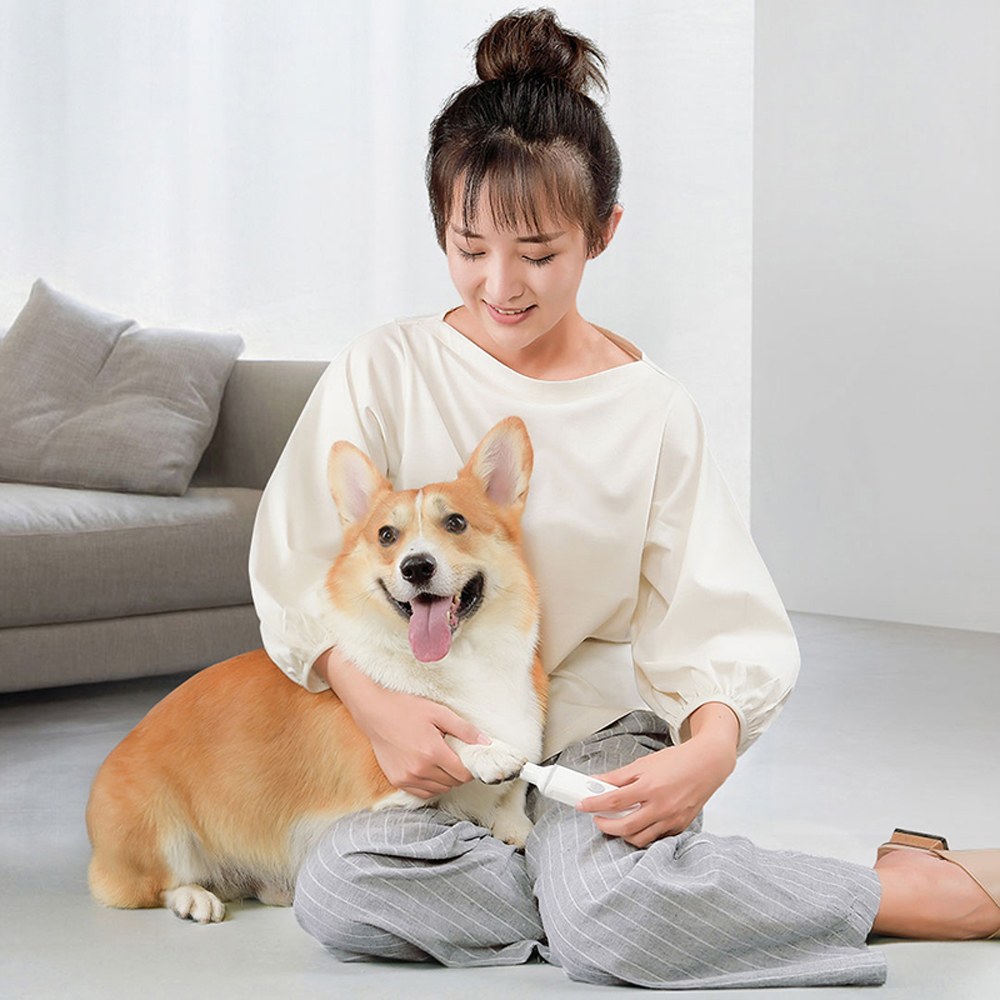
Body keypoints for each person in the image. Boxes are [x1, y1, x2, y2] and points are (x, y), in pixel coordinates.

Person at [249, 8, 1000, 989]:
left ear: (603, 233)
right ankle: (614, 894)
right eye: (468, 246)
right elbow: (302, 562)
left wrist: (708, 752)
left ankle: (897, 889)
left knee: (602, 911)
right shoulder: (384, 368)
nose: (499, 284)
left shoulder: (651, 411)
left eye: (537, 252)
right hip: (443, 735)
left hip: (594, 733)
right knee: (339, 887)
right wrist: (375, 706)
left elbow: (714, 611)